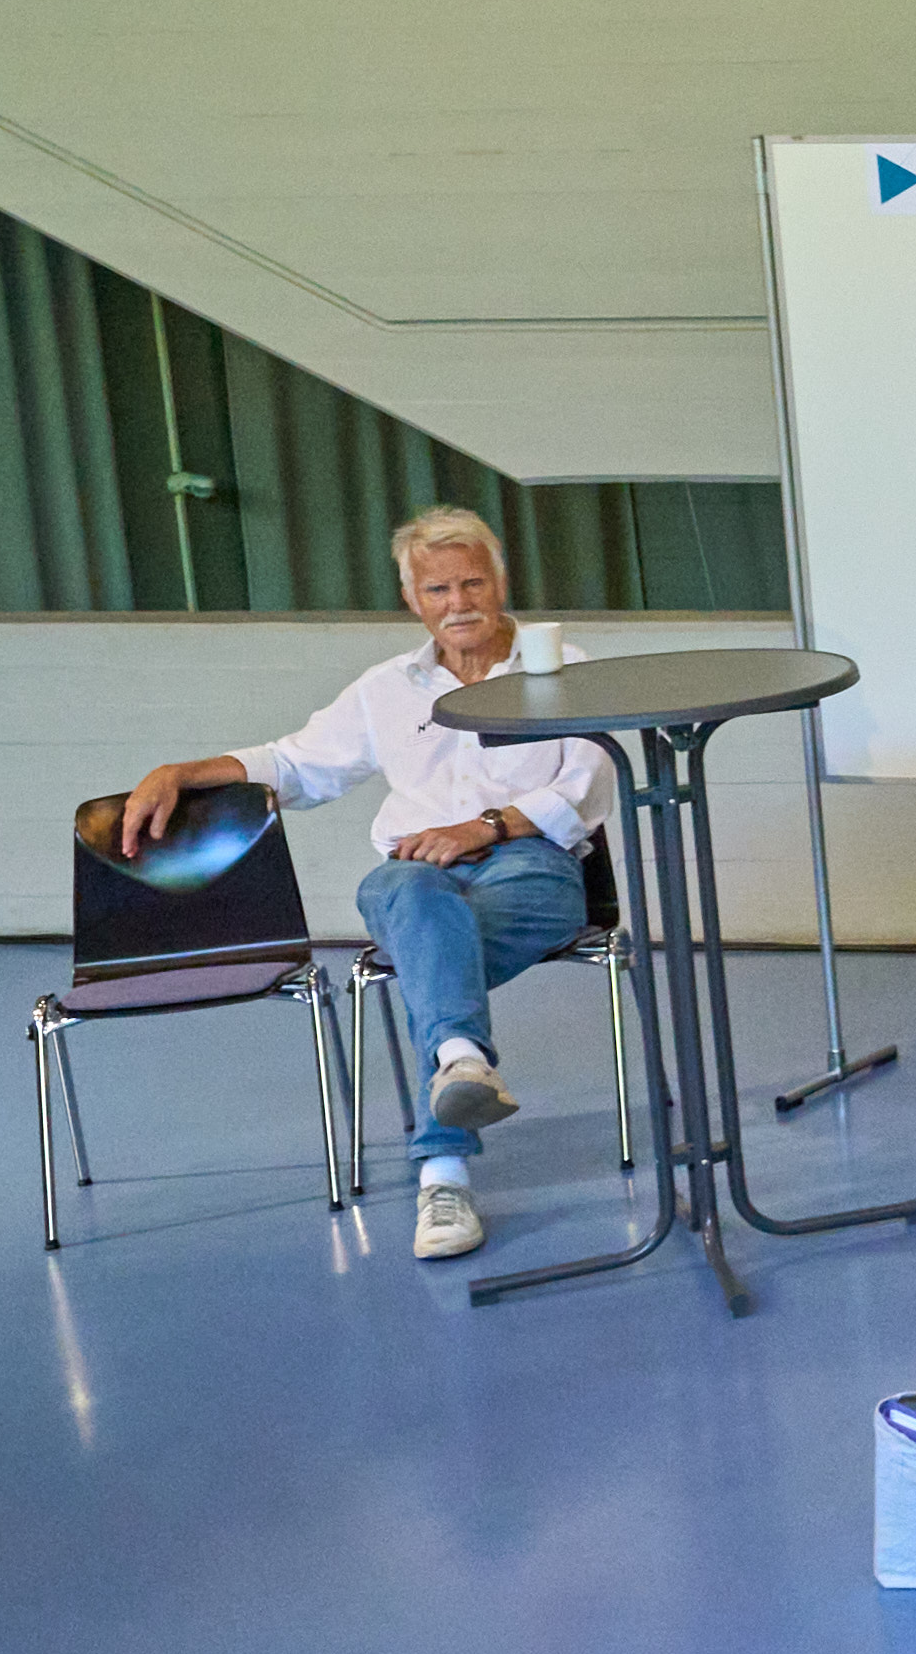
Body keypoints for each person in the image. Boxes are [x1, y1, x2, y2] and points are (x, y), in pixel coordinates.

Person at [111, 505, 604, 1265]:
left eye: (473, 582)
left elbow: (588, 785)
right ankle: (460, 1069)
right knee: (413, 903)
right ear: (413, 599)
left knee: (430, 951)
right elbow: (297, 763)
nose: (459, 603)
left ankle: (446, 1159)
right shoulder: (386, 689)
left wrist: (484, 829)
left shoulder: (562, 666)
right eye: (438, 589)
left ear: (502, 582)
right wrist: (181, 771)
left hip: (532, 867)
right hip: (410, 875)